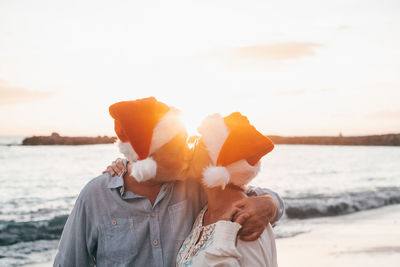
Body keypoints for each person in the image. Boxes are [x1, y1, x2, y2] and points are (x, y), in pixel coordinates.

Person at [54, 97, 284, 267]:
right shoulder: (96, 196)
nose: (188, 150)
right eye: (177, 147)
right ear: (149, 159)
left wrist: (269, 203)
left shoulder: (193, 186)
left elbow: (238, 188)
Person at [176, 112, 278, 267]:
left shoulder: (247, 221)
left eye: (200, 144)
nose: (192, 149)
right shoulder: (205, 212)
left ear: (218, 164)